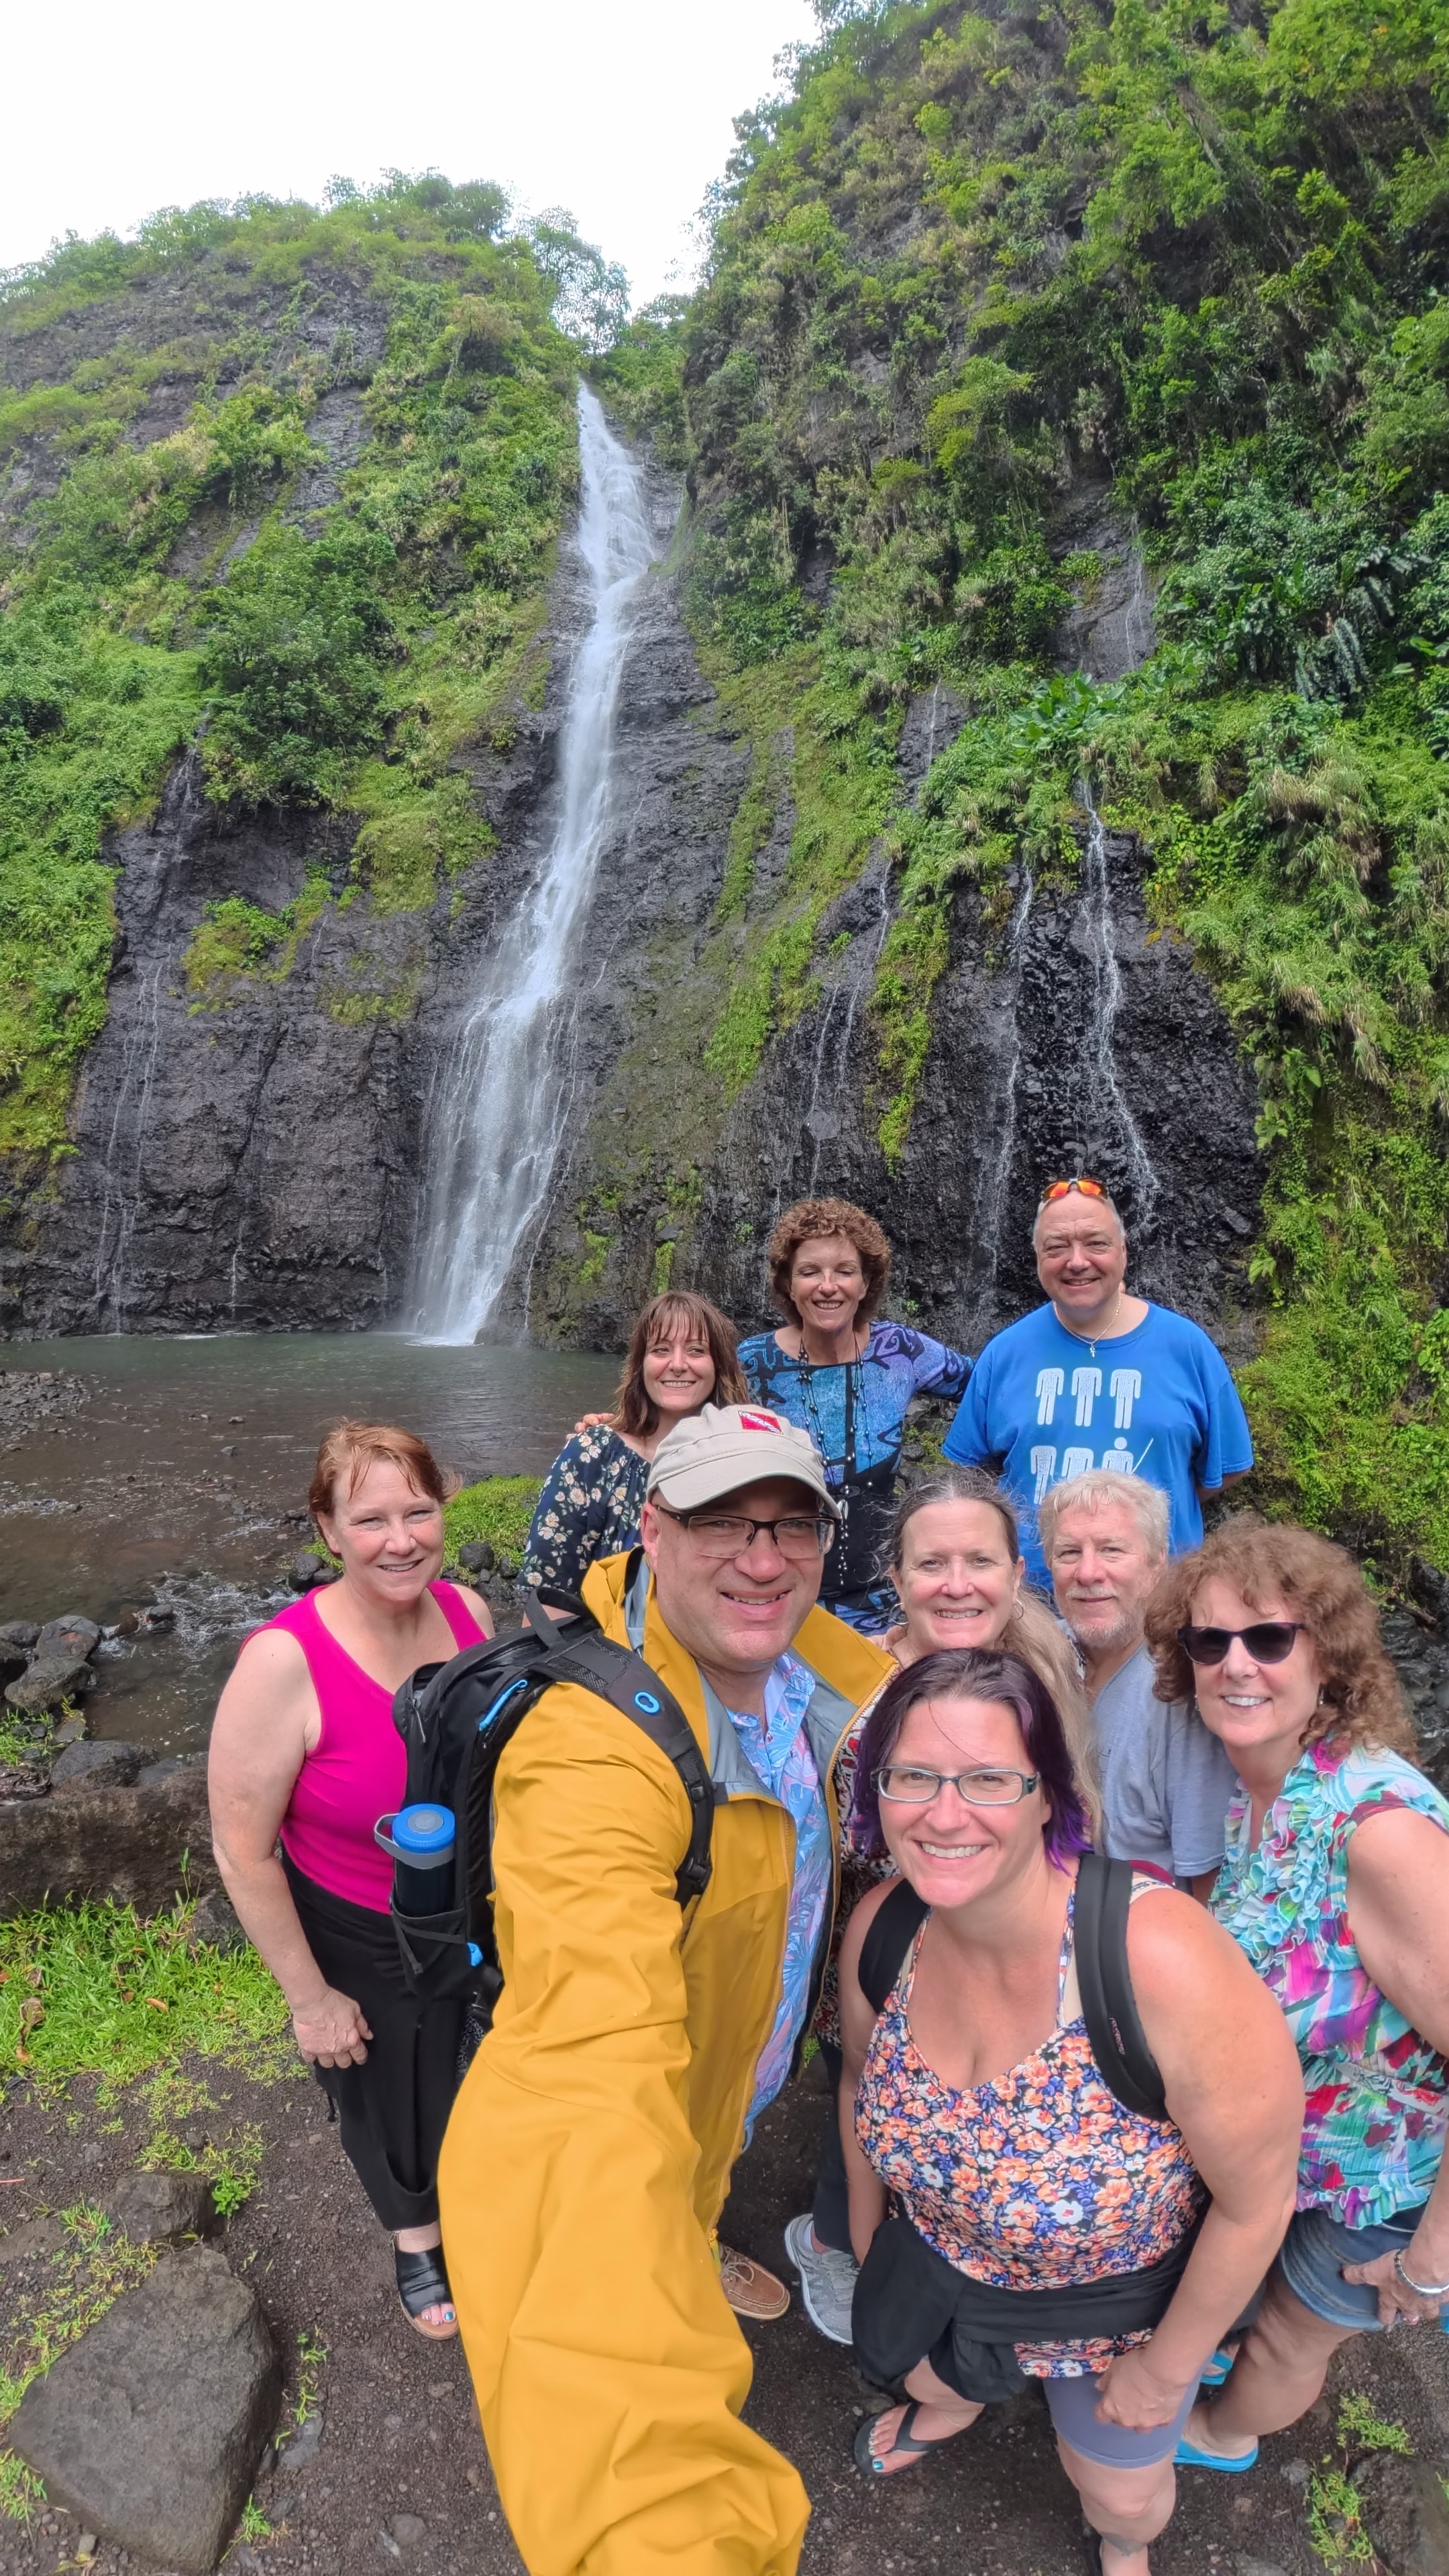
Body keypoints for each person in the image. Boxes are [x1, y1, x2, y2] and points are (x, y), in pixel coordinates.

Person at [439, 1403, 894, 2575]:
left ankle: (694, 2238)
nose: (761, 1557)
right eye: (721, 1522)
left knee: (701, 2166)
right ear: (650, 1524)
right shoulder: (590, 1754)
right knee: (639, 2176)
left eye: (794, 1528)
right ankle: (671, 2249)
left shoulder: (826, 1671)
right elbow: (586, 2085)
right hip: (652, 2068)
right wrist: (659, 2529)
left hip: (743, 2047)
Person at [837, 1647, 1303, 2576]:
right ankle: (957, 2396)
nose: (943, 1811)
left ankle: (1123, 2543)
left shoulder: (1157, 1960)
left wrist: (1168, 2370)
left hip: (1112, 2304)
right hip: (940, 2261)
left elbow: (1258, 2199)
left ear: (1052, 1794)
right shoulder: (886, 1925)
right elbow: (856, 2082)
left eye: (989, 1779)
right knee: (922, 2368)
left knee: (1124, 2492)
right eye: (914, 1775)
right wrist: (864, 2239)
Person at [1142, 1519, 1449, 2475]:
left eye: (1269, 1638)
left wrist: (1430, 2257)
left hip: (1384, 2181)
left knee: (1287, 2339)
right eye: (1209, 1641)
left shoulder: (1378, 1833)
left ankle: (1221, 2437)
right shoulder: (1257, 1784)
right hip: (1293, 2152)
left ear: (1329, 1658)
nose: (1238, 1665)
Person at [786, 1464, 1095, 2347]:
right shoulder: (847, 1679)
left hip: (994, 1952)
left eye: (980, 1561)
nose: (957, 1584)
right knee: (853, 2099)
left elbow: (1072, 1823)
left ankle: (954, 2277)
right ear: (896, 1578)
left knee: (967, 2123)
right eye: (932, 1564)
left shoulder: (1047, 1675)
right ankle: (838, 2240)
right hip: (864, 1945)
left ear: (1014, 1572)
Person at [209, 1423, 493, 2339]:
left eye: (419, 1510)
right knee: (384, 2087)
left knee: (465, 2066)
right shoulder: (281, 1664)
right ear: (327, 1531)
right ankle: (417, 2239)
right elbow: (241, 1850)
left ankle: (476, 2197)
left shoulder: (470, 1615)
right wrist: (309, 1997)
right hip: (357, 1927)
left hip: (461, 1906)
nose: (402, 1538)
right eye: (371, 1519)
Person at [943, 1175, 1253, 1587]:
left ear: (1123, 1252)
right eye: (1056, 1247)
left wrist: (1146, 1512)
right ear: (1037, 1258)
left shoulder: (1188, 1348)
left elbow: (1227, 1469)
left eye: (1096, 1243)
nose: (1076, 1261)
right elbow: (971, 1472)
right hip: (1032, 1605)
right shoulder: (1006, 1352)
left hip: (1158, 1603)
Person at [737, 1196, 972, 1631]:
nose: (829, 1286)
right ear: (788, 1284)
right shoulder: (751, 1364)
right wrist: (617, 1429)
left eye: (845, 1271)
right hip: (777, 1599)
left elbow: (989, 1388)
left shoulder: (900, 1351)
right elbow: (683, 1429)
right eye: (810, 1272)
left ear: (866, 1284)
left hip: (881, 1605)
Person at [1041, 1468, 1236, 1892]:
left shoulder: (1182, 1687)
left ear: (1156, 1562)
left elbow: (1210, 1885)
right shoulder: (1041, 1655)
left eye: (1112, 1550)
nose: (1088, 1573)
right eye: (1069, 1553)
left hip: (1143, 1939)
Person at [522, 1290, 748, 1597]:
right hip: (603, 1644)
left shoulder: (745, 1466)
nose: (678, 1364)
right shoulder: (593, 1455)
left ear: (718, 1366)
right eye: (661, 1349)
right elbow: (548, 1593)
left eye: (696, 1350)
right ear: (640, 1364)